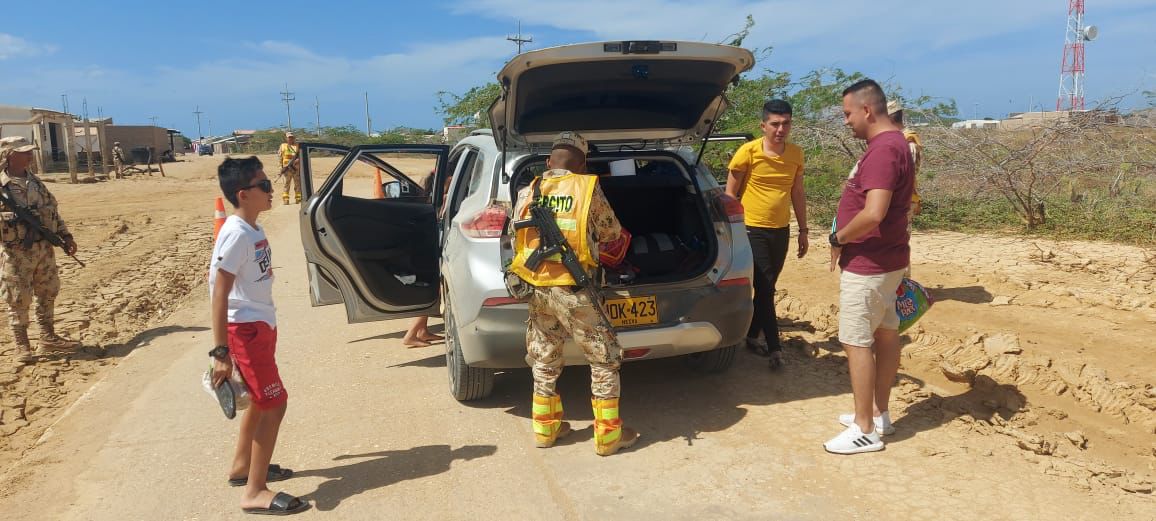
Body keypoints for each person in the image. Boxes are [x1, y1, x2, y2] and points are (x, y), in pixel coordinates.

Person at [508, 131, 638, 456]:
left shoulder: (530, 189)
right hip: (574, 288)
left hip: (538, 287)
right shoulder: (587, 188)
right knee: (604, 358)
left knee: (544, 355)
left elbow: (516, 237)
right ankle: (608, 436)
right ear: (582, 164)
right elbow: (610, 232)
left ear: (549, 161)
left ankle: (545, 428)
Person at [209, 156, 309, 515]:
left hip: (260, 326)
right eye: (264, 186)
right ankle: (254, 491)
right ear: (243, 194)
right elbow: (219, 293)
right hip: (245, 330)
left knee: (257, 399)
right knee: (273, 403)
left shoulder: (252, 228)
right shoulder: (235, 233)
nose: (271, 190)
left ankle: (241, 466)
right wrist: (221, 352)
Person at [824, 79, 914, 455]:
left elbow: (873, 213)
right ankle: (879, 414)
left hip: (869, 263)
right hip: (890, 259)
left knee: (855, 340)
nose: (846, 121)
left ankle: (864, 429)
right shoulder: (898, 144)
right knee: (886, 333)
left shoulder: (882, 150)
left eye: (847, 114)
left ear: (867, 110)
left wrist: (838, 238)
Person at [725, 99, 809, 370]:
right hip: (752, 228)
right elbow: (730, 195)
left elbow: (797, 192)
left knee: (767, 287)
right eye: (775, 124)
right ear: (763, 126)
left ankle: (750, 336)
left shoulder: (796, 154)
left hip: (781, 229)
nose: (780, 129)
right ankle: (775, 348)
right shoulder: (747, 152)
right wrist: (731, 232)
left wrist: (803, 230)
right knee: (764, 288)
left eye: (785, 123)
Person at [0, 137, 80, 364]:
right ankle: (21, 344)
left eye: (30, 151)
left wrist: (66, 235)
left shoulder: (35, 182)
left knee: (48, 291)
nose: (29, 155)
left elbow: (51, 212)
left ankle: (47, 336)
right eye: (24, 152)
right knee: (18, 298)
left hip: (44, 249)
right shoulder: (2, 185)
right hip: (16, 253)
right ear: (9, 155)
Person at [887, 100, 923, 277]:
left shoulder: (908, 142)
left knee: (899, 243)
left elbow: (904, 175)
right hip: (892, 201)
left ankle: (902, 289)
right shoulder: (896, 138)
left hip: (901, 201)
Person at [277, 132, 301, 205]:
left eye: (292, 137)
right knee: (286, 185)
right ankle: (286, 200)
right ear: (286, 138)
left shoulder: (297, 146)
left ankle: (298, 199)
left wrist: (299, 159)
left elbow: (302, 155)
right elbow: (280, 158)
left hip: (296, 169)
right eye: (289, 137)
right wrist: (281, 169)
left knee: (297, 184)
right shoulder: (283, 146)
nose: (290, 138)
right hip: (287, 169)